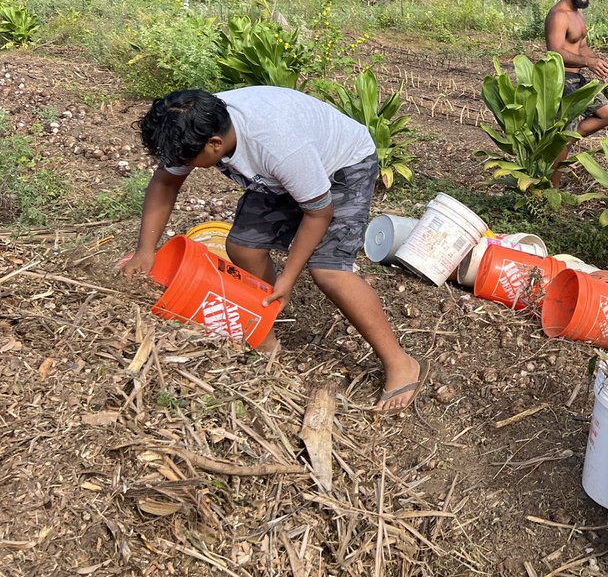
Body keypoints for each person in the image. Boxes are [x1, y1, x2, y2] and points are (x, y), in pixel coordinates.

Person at [119, 88, 427, 412]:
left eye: (186, 160)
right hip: (283, 175)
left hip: (343, 166)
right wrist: (145, 250)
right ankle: (264, 328)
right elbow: (165, 182)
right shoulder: (193, 123)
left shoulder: (277, 145)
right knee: (243, 247)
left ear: (214, 145)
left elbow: (318, 212)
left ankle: (400, 363)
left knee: (328, 270)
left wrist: (289, 277)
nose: (181, 166)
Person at [545, 0, 608, 187]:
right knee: (563, 141)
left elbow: (581, 47)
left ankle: (566, 138)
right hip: (562, 81)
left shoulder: (578, 15)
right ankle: (552, 190)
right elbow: (555, 51)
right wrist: (588, 62)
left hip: (578, 80)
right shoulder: (558, 15)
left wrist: (599, 64)